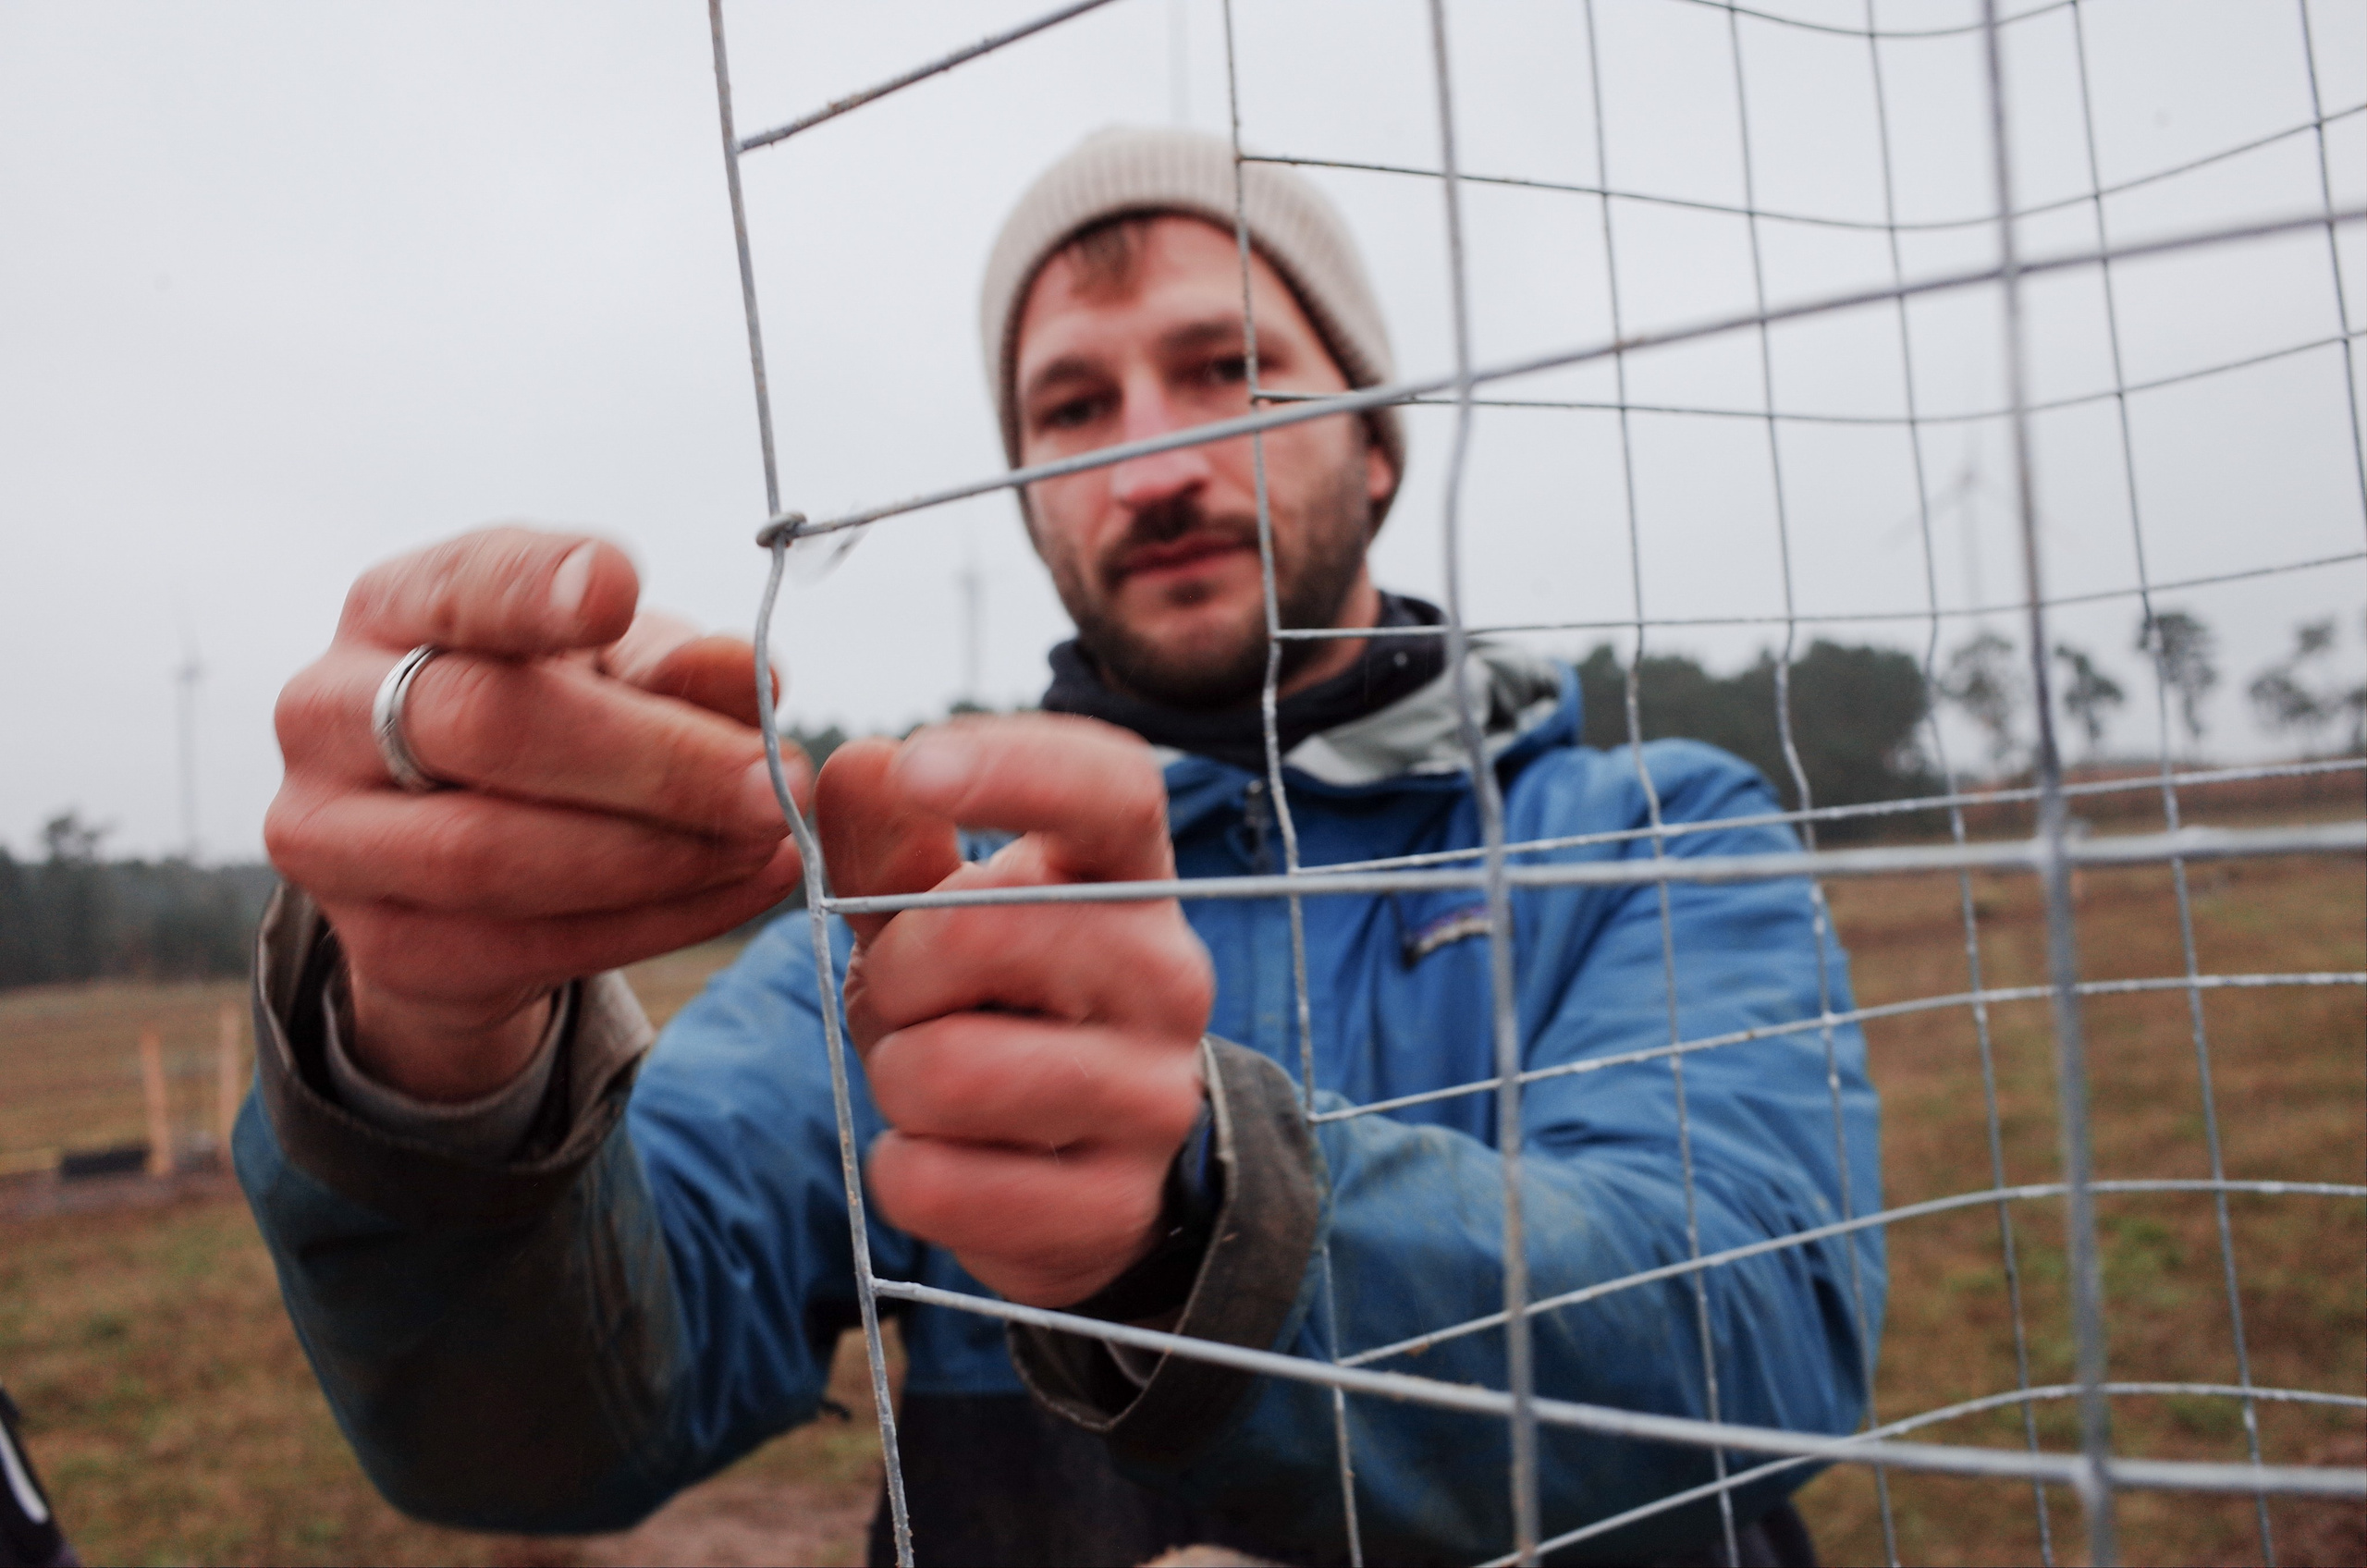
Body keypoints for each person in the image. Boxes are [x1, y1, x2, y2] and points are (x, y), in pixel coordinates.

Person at [239, 128, 1879, 1567]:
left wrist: (1197, 1226)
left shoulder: (1650, 828)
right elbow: (542, 1434)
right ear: (1026, 490)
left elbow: (1764, 1342)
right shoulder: (915, 920)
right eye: (1072, 407)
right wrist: (436, 1065)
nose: (1150, 466)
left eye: (1228, 369)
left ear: (1379, 441)